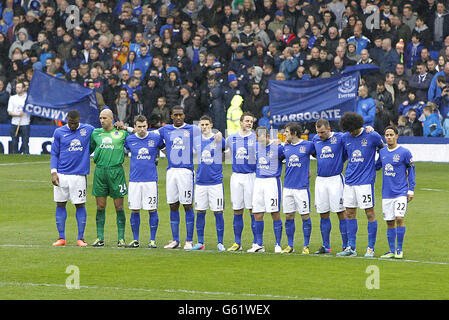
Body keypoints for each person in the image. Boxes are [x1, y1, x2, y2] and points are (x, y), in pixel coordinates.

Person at [337, 112, 384, 258]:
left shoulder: (372, 135)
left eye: (352, 129)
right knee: (350, 213)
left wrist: (377, 165)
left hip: (365, 181)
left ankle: (370, 248)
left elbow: (384, 150)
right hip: (349, 181)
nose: (350, 132)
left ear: (359, 125)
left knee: (369, 213)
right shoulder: (345, 137)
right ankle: (351, 247)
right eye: (348, 130)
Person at [156, 106, 201, 250]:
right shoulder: (165, 130)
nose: (178, 117)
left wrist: (217, 135)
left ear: (184, 115)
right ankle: (175, 240)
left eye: (180, 115)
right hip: (171, 172)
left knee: (187, 205)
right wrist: (127, 128)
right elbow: (147, 133)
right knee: (173, 205)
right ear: (171, 116)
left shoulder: (192, 129)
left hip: (186, 172)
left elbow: (208, 134)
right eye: (175, 115)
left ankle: (189, 240)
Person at [50, 110, 95, 247]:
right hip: (62, 174)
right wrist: (53, 172)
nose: (73, 126)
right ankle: (61, 237)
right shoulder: (59, 132)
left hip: (79, 175)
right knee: (60, 203)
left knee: (80, 204)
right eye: (70, 123)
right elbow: (54, 153)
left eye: (75, 123)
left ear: (79, 120)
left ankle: (80, 238)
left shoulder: (88, 129)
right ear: (67, 120)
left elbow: (102, 133)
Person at [90, 108, 130, 247]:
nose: (102, 121)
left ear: (112, 119)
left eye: (105, 118)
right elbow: (88, 149)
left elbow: (139, 135)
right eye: (100, 118)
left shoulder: (122, 133)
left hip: (116, 172)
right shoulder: (95, 133)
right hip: (100, 171)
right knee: (100, 206)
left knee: (119, 206)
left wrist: (125, 127)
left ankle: (121, 238)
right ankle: (99, 237)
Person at [124, 115, 164, 248]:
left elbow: (162, 148)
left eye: (144, 126)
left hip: (150, 180)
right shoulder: (129, 140)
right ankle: (135, 240)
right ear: (135, 127)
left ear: (147, 126)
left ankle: (152, 240)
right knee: (134, 209)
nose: (142, 129)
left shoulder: (155, 138)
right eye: (139, 127)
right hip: (134, 180)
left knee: (152, 209)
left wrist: (157, 158)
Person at [376, 126, 415, 259]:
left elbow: (411, 171)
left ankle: (399, 249)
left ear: (397, 136)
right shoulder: (382, 152)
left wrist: (411, 189)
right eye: (386, 135)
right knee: (389, 222)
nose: (389, 137)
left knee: (399, 218)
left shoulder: (405, 152)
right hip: (386, 193)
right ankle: (391, 250)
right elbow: (377, 167)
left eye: (391, 134)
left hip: (401, 192)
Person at [312, 118, 349, 255]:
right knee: (323, 213)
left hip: (335, 180)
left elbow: (349, 148)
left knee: (340, 211)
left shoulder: (339, 138)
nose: (320, 135)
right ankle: (326, 246)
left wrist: (369, 129)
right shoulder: (315, 139)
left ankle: (346, 245)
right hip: (321, 180)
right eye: (318, 132)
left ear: (328, 129)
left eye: (322, 132)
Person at [191, 115, 226, 251]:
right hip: (200, 182)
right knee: (200, 211)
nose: (204, 127)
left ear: (211, 125)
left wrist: (219, 138)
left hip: (215, 182)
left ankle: (220, 242)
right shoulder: (196, 141)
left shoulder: (218, 138)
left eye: (206, 124)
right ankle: (200, 242)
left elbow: (225, 154)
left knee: (218, 212)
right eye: (202, 125)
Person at [281, 122, 316, 254]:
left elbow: (319, 154)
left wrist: (307, 171)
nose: (284, 134)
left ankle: (306, 245)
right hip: (288, 187)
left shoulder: (308, 145)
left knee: (305, 215)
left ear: (294, 133)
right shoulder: (285, 147)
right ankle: (290, 245)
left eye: (286, 132)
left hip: (301, 187)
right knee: (289, 215)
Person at [249, 126, 285, 253]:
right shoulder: (255, 147)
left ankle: (278, 244)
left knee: (274, 212)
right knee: (257, 213)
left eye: (263, 139)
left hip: (272, 182)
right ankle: (259, 244)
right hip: (258, 181)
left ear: (268, 136)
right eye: (259, 139)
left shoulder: (278, 148)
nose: (261, 141)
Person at [226, 112, 258, 252]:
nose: (249, 123)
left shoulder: (256, 138)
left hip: (251, 176)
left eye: (251, 121)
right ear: (241, 122)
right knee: (237, 210)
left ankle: (256, 243)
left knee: (253, 210)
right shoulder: (231, 138)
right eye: (246, 121)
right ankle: (237, 242)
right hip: (236, 177)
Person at [7, 81, 30, 154]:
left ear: (23, 88)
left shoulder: (28, 98)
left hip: (25, 122)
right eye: (16, 87)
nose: (17, 89)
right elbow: (9, 111)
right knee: (14, 140)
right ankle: (15, 154)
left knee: (25, 141)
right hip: (15, 122)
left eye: (19, 87)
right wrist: (18, 114)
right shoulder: (12, 98)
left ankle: (26, 154)